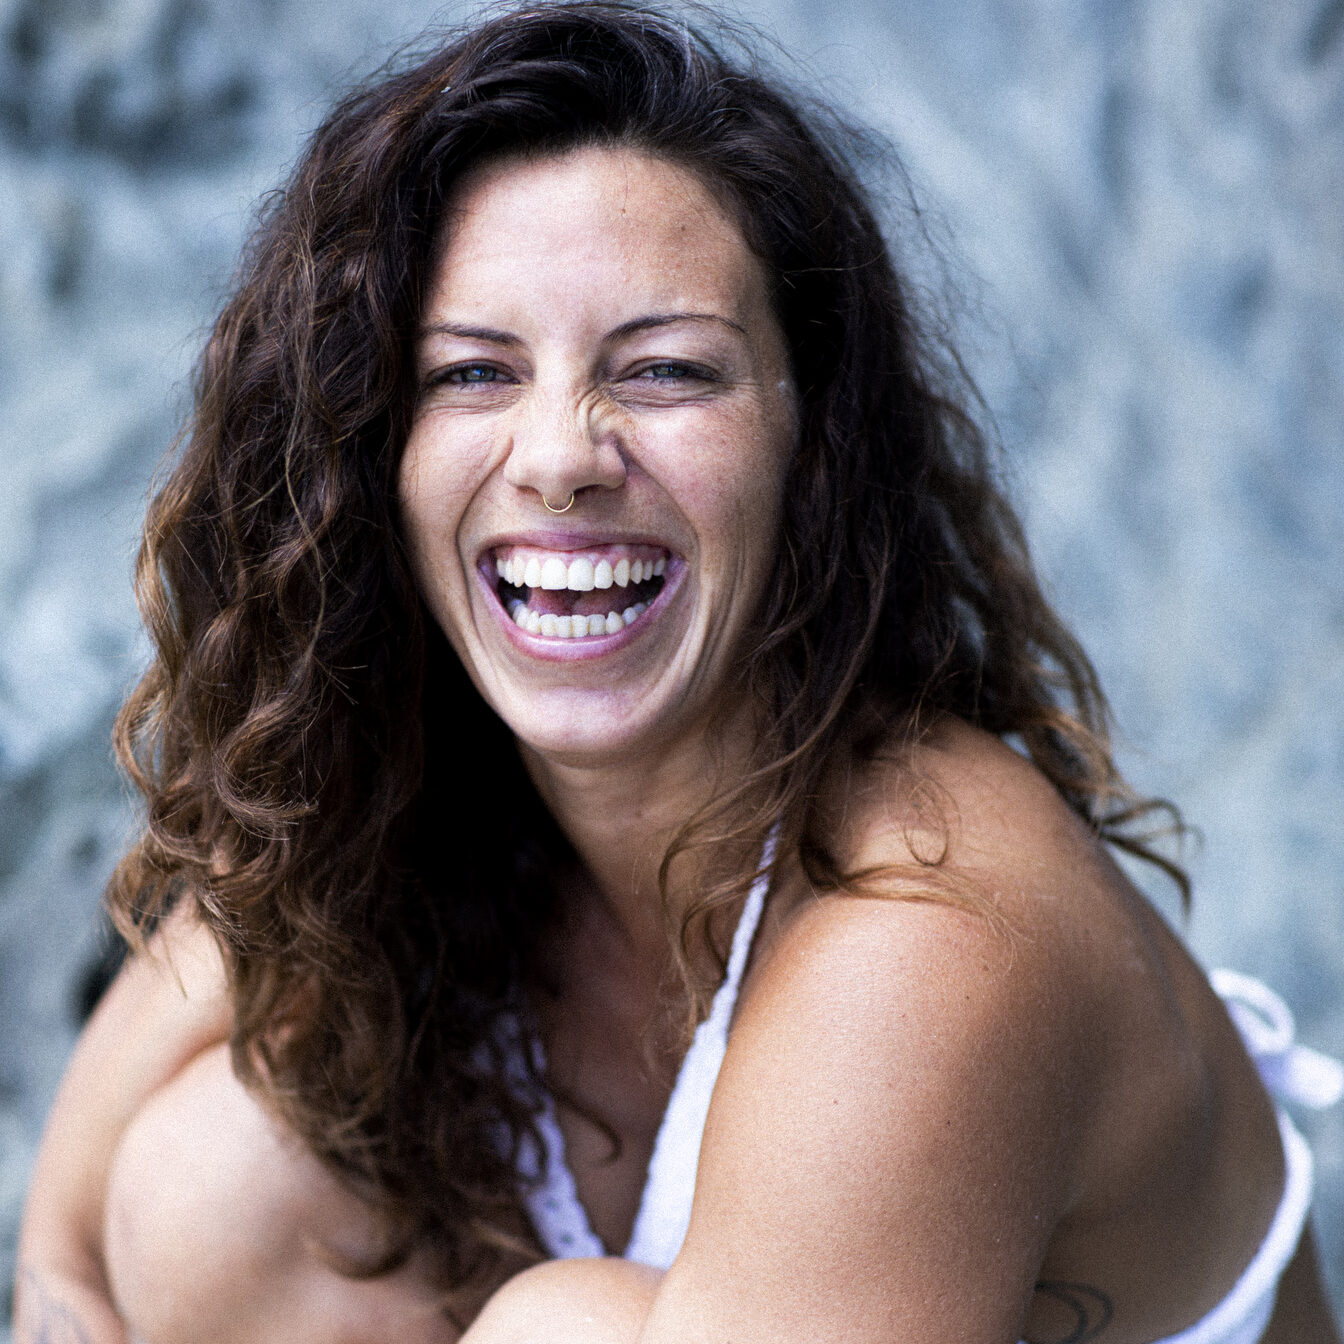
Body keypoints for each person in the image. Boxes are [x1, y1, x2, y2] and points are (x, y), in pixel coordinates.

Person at [12, 4, 1341, 1342]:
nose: (559, 457)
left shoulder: (925, 935)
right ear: (371, 457)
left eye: (664, 371)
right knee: (217, 1189)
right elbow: (65, 1251)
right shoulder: (440, 805)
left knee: (562, 1334)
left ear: (807, 442)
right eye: (471, 373)